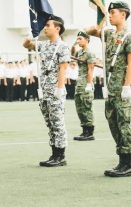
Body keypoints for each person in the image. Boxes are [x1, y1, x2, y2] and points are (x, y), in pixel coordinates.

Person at [87, 1, 131, 178]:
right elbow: (88, 32)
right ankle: (121, 160)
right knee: (113, 123)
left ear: (123, 14)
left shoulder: (129, 36)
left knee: (125, 124)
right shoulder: (109, 34)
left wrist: (126, 87)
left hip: (122, 89)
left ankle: (127, 164)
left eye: (113, 12)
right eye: (108, 12)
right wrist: (99, 21)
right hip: (110, 88)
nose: (110, 15)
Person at [23, 14, 69, 167]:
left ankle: (60, 155)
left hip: (55, 89)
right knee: (49, 122)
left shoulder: (63, 46)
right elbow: (26, 44)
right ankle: (54, 152)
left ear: (57, 28)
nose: (45, 27)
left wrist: (60, 88)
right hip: (44, 89)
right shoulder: (44, 44)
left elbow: (63, 68)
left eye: (48, 25)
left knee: (58, 122)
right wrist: (32, 34)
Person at [71, 30, 96, 141]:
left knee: (86, 107)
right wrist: (73, 44)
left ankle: (90, 132)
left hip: (86, 83)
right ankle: (84, 130)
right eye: (77, 39)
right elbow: (72, 54)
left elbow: (91, 69)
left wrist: (89, 84)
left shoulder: (90, 53)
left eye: (80, 39)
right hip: (79, 83)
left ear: (87, 40)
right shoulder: (80, 52)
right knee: (79, 108)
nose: (78, 41)